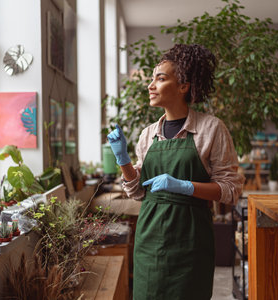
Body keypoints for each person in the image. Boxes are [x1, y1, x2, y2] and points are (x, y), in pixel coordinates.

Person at [107, 44, 244, 300]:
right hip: (149, 239)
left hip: (190, 241)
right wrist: (123, 159)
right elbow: (137, 191)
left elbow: (231, 190)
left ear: (183, 86)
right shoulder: (148, 134)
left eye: (160, 79)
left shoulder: (211, 129)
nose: (150, 85)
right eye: (152, 79)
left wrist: (185, 186)